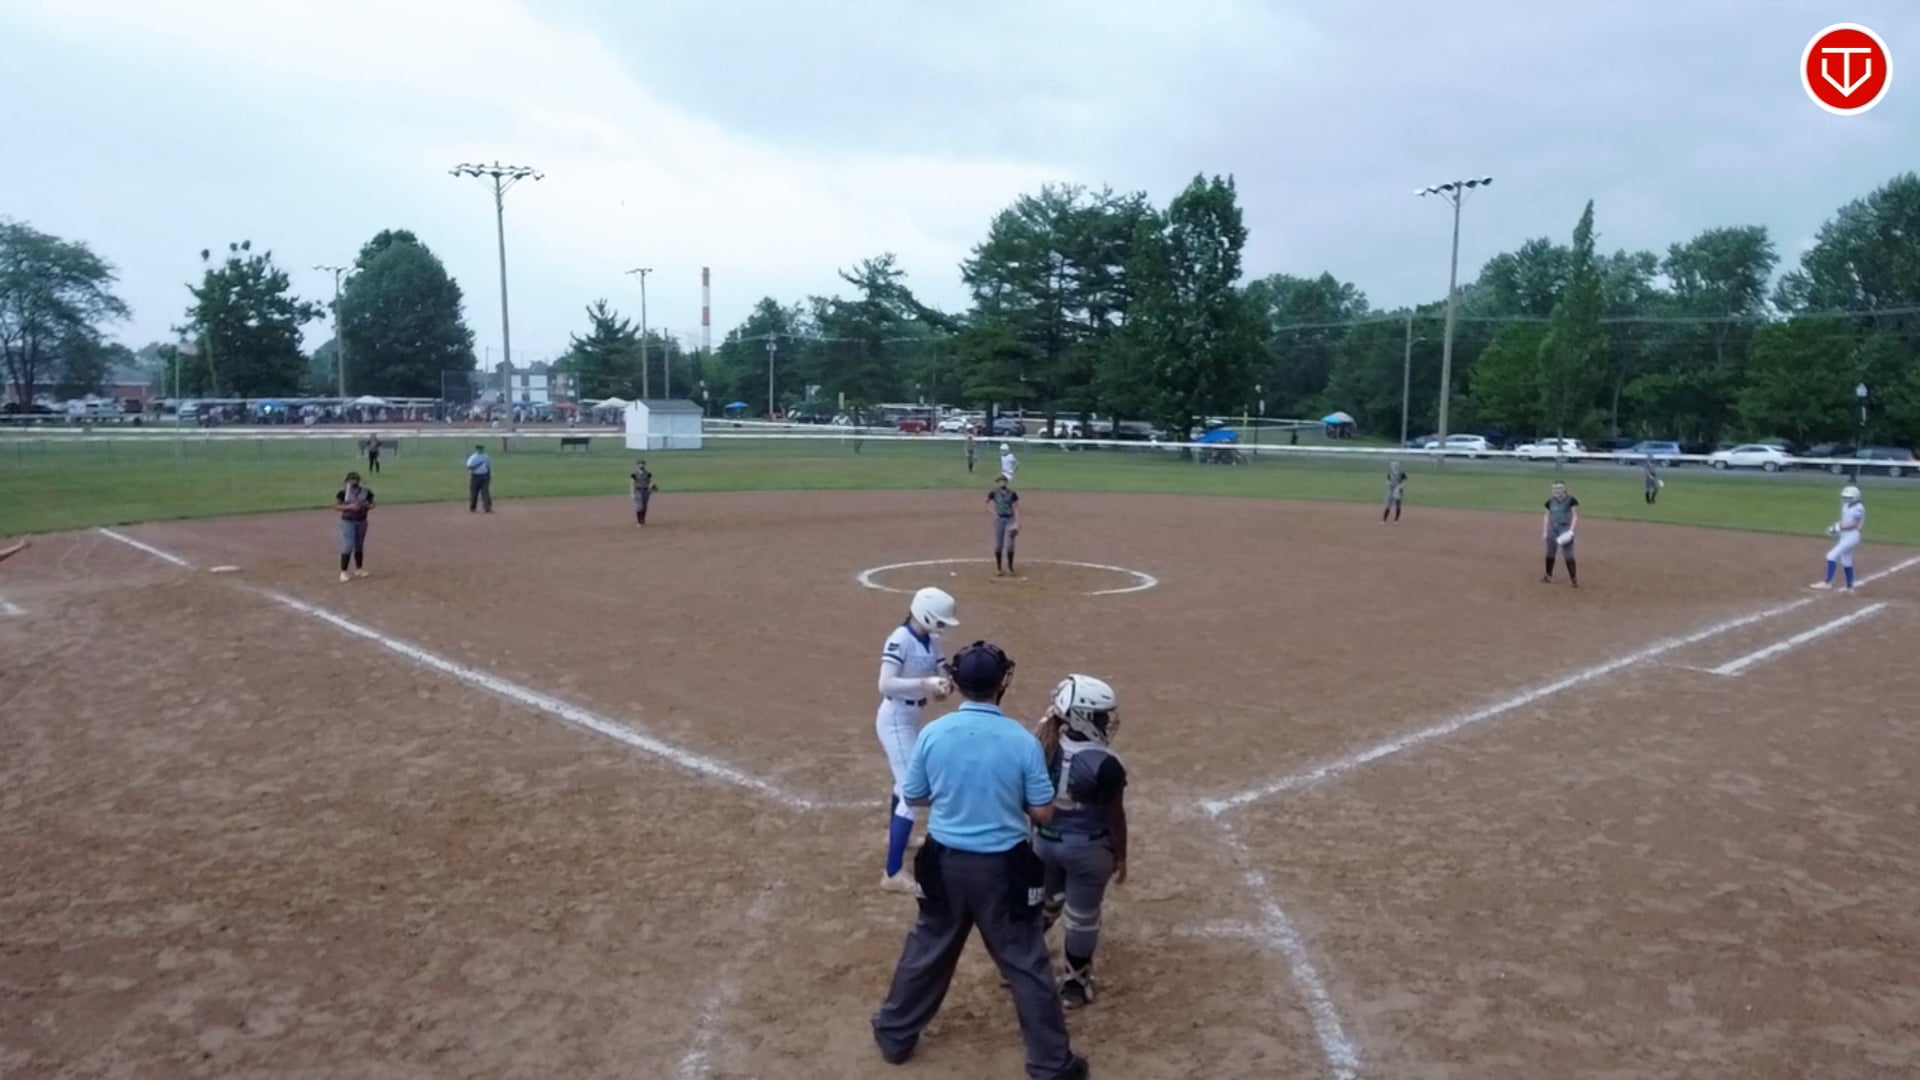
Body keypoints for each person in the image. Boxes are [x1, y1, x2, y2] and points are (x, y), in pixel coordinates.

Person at [871, 641, 1088, 1080]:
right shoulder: (1021, 741)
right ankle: (1050, 1064)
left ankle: (895, 1035)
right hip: (1003, 868)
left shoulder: (934, 734)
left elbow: (915, 796)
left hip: (943, 861)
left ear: (958, 682)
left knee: (928, 948)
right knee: (1025, 962)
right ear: (1001, 683)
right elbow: (1043, 812)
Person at [1033, 675, 1128, 1010]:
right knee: (1082, 917)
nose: (1105, 721)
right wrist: (1120, 855)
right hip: (1088, 850)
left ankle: (1019, 962)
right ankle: (1075, 986)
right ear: (1084, 717)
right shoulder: (1107, 764)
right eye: (1101, 716)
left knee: (1045, 902)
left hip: (1044, 843)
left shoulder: (1042, 747)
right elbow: (1114, 816)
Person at [875, 587, 960, 895]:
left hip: (912, 717)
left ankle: (898, 835)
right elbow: (885, 683)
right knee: (911, 789)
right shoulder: (900, 639)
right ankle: (892, 873)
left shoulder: (932, 641)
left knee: (904, 782)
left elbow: (941, 675)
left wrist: (943, 687)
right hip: (895, 719)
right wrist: (924, 683)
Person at [1812, 484, 1866, 592]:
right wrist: (1836, 527)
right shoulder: (1845, 506)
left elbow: (1854, 523)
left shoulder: (1859, 508)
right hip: (1845, 535)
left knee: (1831, 555)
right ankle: (1849, 587)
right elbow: (1844, 520)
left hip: (1852, 536)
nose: (1846, 499)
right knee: (1846, 560)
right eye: (1845, 497)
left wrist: (1838, 527)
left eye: (1849, 498)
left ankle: (1827, 583)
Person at [334, 471, 374, 582]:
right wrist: (350, 507)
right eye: (351, 479)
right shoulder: (343, 492)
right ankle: (343, 571)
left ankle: (359, 569)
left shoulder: (365, 492)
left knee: (359, 545)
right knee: (348, 545)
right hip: (348, 521)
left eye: (355, 479)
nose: (353, 481)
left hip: (362, 521)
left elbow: (372, 503)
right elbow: (336, 506)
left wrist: (365, 505)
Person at [1542, 480, 1580, 588]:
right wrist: (1545, 531)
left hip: (1565, 529)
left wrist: (1571, 530)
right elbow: (1546, 516)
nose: (1557, 490)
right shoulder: (1550, 501)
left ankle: (1574, 579)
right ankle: (1548, 576)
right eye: (1555, 488)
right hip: (1553, 529)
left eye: (1560, 488)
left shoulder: (1571, 500)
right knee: (1550, 553)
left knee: (1568, 555)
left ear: (1564, 489)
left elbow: (1575, 516)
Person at [988, 474, 1021, 577]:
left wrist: (1017, 523)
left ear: (1006, 482)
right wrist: (993, 513)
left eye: (1003, 481)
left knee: (1010, 545)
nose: (1001, 483)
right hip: (999, 520)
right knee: (998, 546)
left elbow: (1016, 508)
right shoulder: (994, 493)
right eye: (1000, 481)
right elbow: (987, 503)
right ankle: (999, 569)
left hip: (1010, 520)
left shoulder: (1012, 494)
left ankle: (1010, 568)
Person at [465, 443, 493, 513]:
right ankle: (472, 507)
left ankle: (487, 507)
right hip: (475, 476)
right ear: (477, 449)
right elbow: (469, 466)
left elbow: (488, 466)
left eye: (481, 448)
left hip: (484, 476)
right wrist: (476, 467)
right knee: (474, 493)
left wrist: (488, 475)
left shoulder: (486, 456)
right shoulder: (473, 457)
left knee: (485, 492)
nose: (480, 450)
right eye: (479, 448)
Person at [630, 459, 657, 526]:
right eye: (640, 464)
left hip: (646, 491)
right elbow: (632, 483)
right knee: (640, 506)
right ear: (637, 465)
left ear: (644, 465)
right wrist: (632, 493)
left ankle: (643, 520)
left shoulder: (648, 473)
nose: (641, 465)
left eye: (642, 464)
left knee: (644, 506)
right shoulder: (634, 474)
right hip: (638, 491)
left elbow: (650, 481)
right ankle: (639, 522)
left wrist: (651, 487)